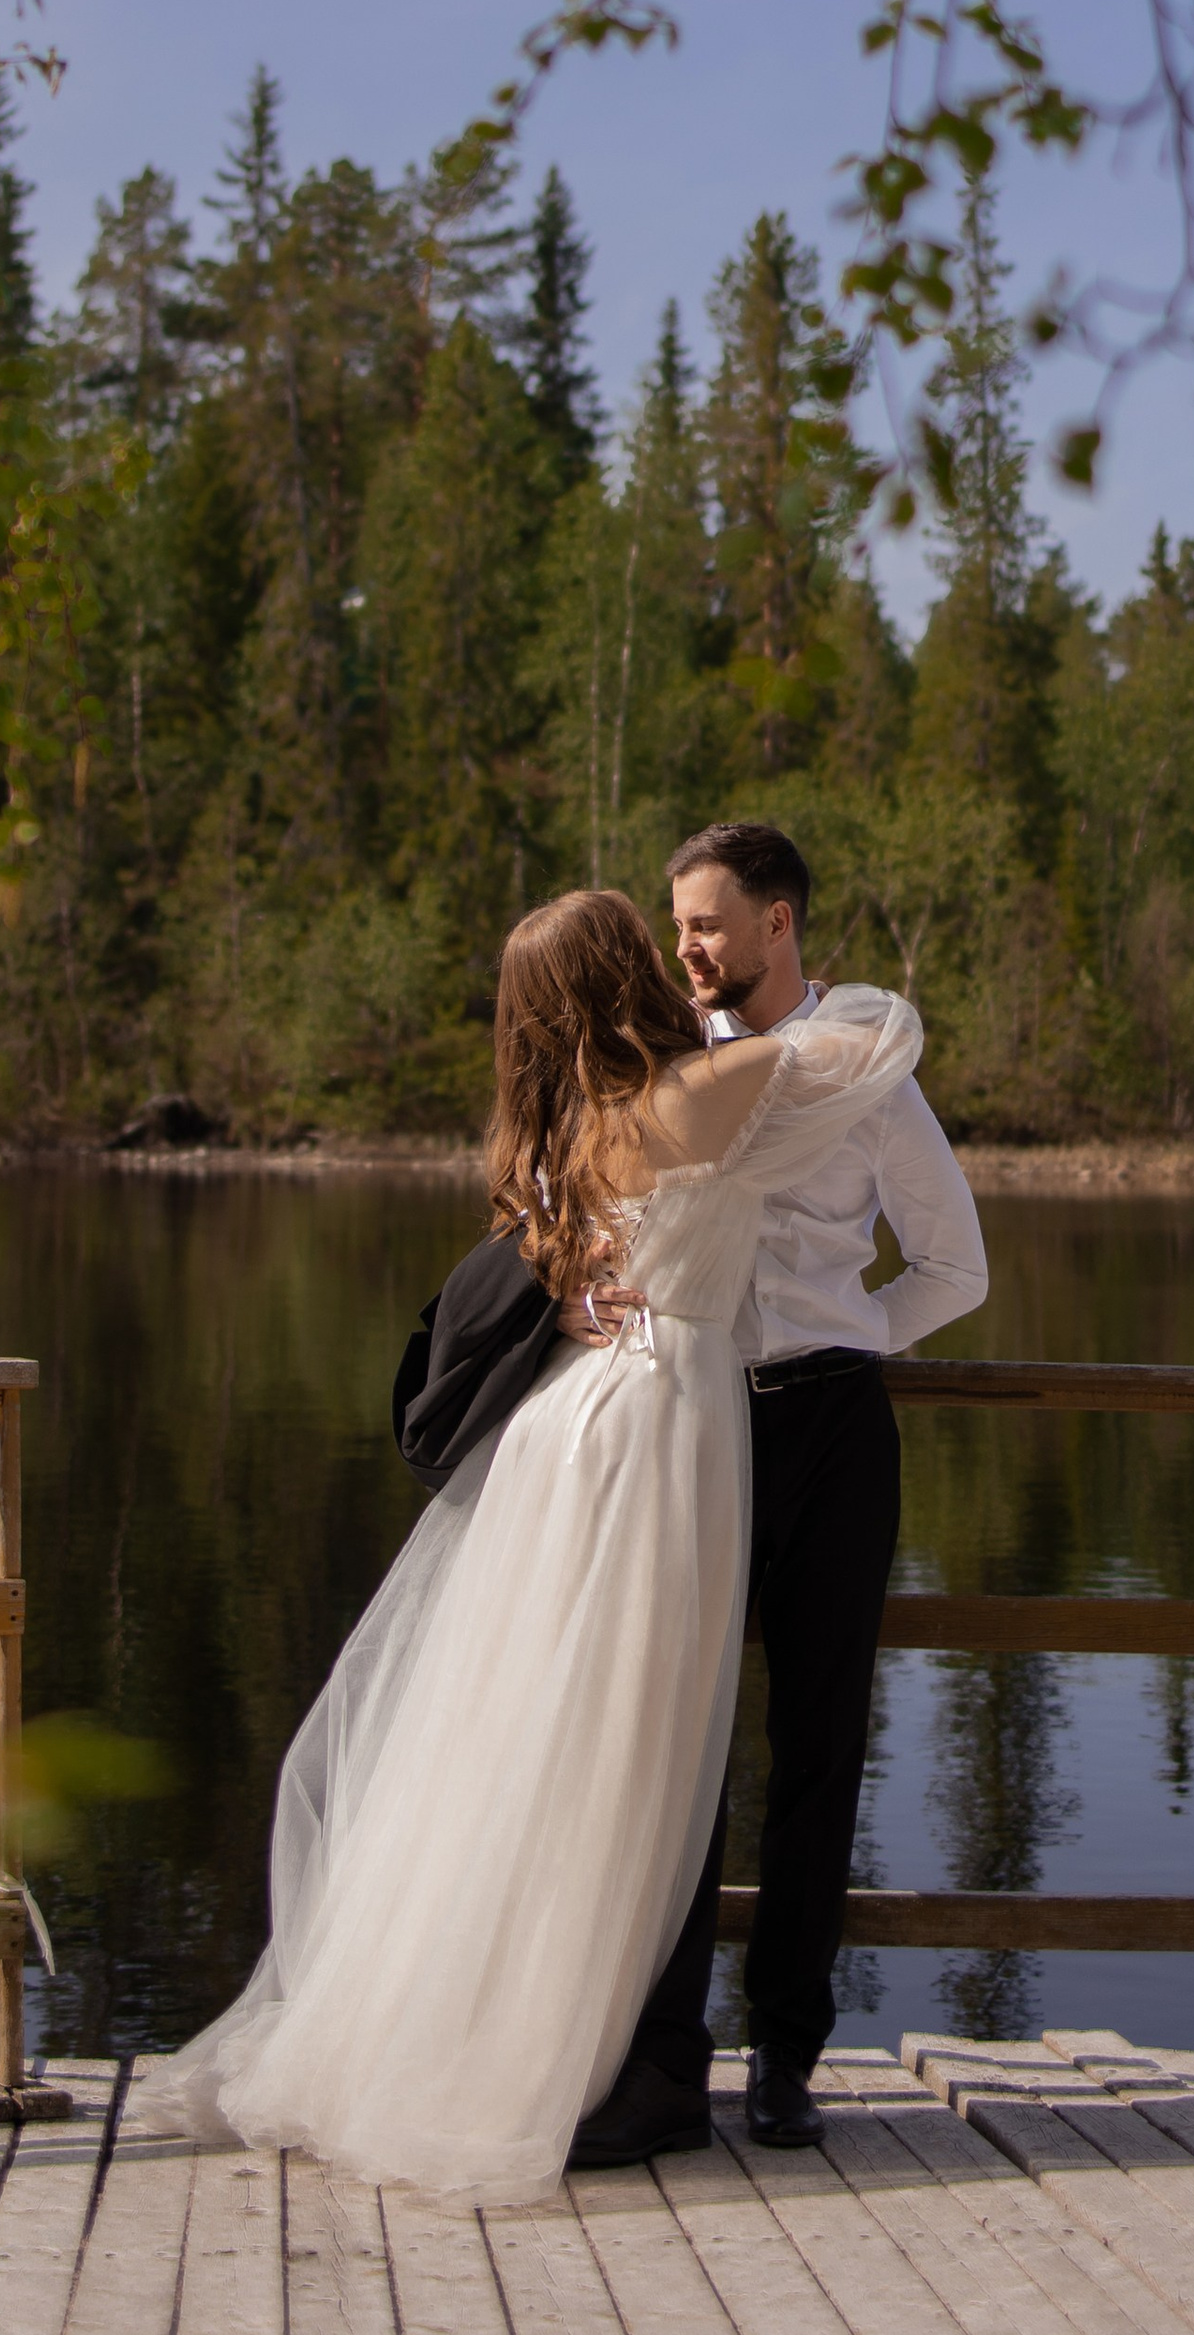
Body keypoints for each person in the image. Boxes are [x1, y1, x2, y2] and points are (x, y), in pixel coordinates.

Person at [143, 885, 928, 2205]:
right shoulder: (700, 1094)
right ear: (630, 974)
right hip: (657, 1428)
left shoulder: (562, 1121)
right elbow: (882, 1035)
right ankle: (595, 2059)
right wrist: (730, 1000)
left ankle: (540, 2035)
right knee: (638, 1746)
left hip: (571, 1428)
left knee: (552, 1734)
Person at [393, 820, 988, 2164]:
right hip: (679, 1425)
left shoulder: (857, 1080)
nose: (691, 949)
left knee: (821, 1748)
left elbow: (955, 1272)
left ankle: (786, 2053)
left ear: (778, 923)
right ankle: (656, 2054)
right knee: (669, 1754)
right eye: (673, 930)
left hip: (823, 1423)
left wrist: (847, 1341)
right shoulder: (679, 1076)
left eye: (710, 924)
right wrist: (588, 1304)